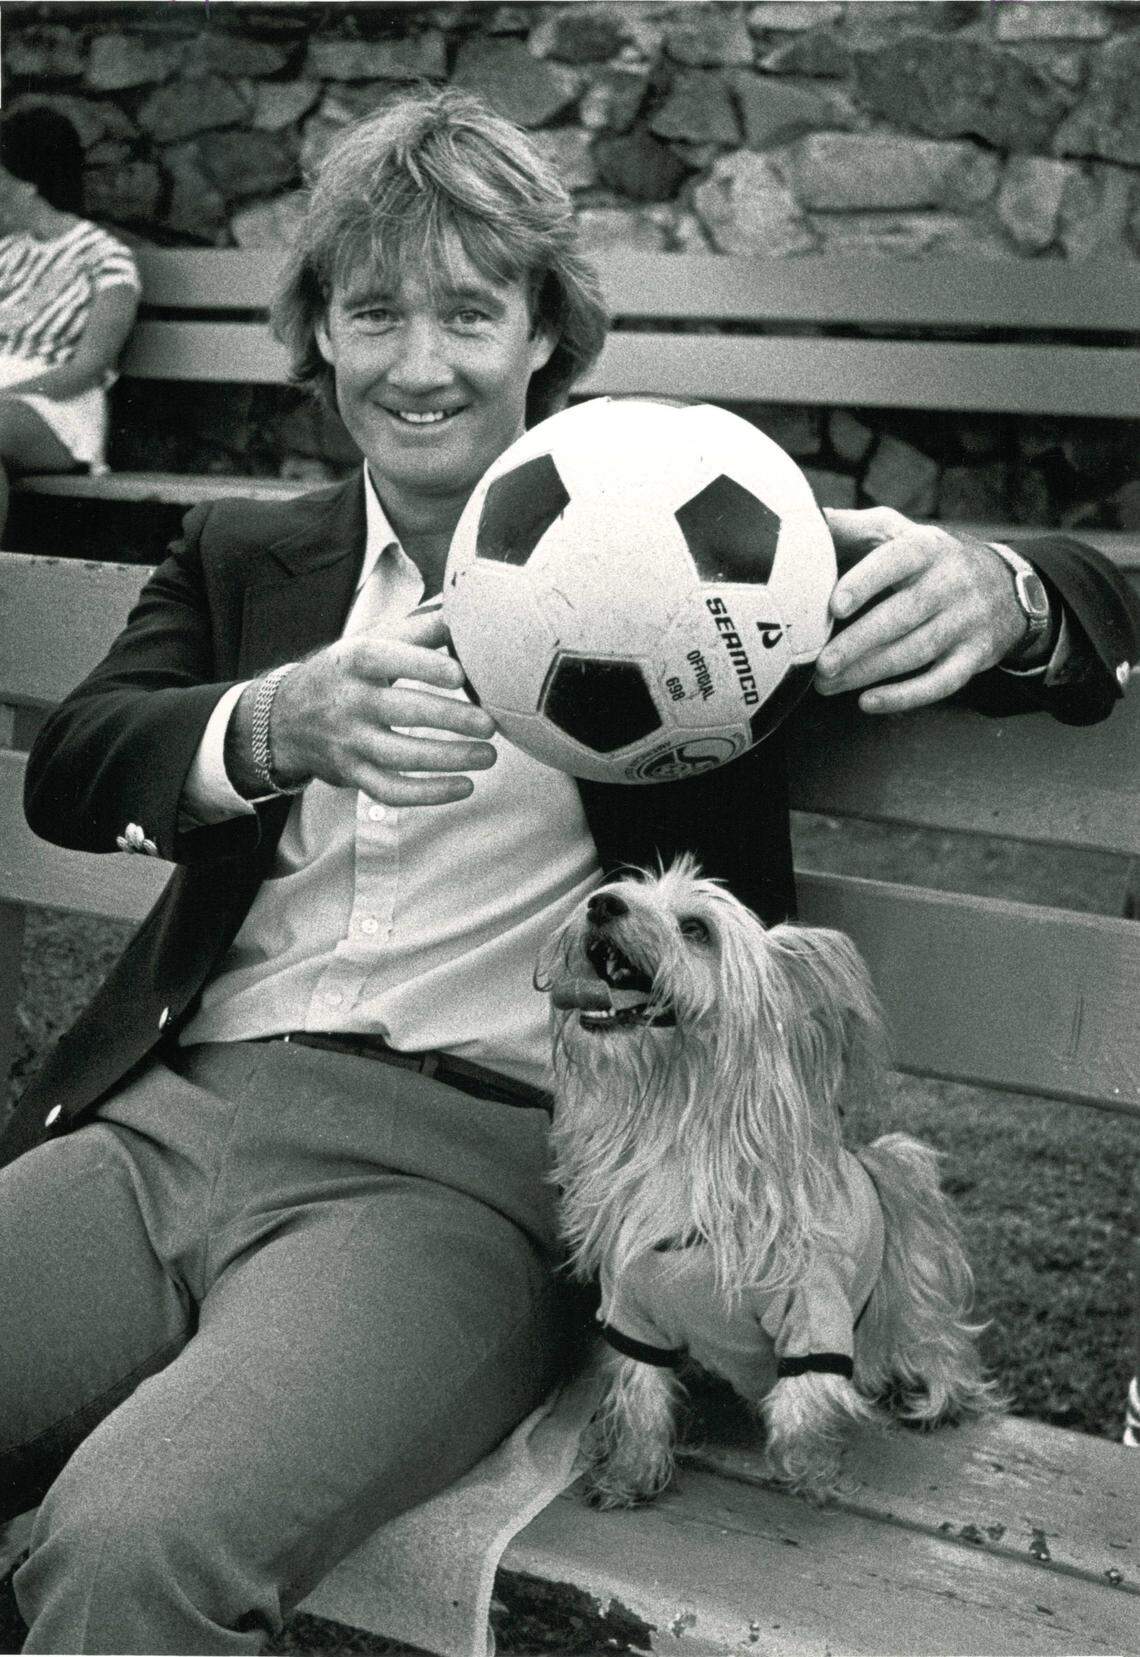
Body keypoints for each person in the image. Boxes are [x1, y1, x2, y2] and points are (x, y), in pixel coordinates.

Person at [1, 87, 1136, 1656]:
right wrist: (269, 721)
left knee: (128, 1547)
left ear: (547, 331)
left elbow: (1083, 599)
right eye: (375, 312)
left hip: (456, 1182)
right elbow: (77, 764)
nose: (420, 363)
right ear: (317, 335)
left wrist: (1006, 587)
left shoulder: (690, 551)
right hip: (164, 1127)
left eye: (472, 311)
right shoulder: (244, 556)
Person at [0, 106, 140, 541]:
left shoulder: (107, 261)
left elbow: (86, 369)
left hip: (57, 408)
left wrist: (7, 394)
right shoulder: (6, 255)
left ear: (27, 181)